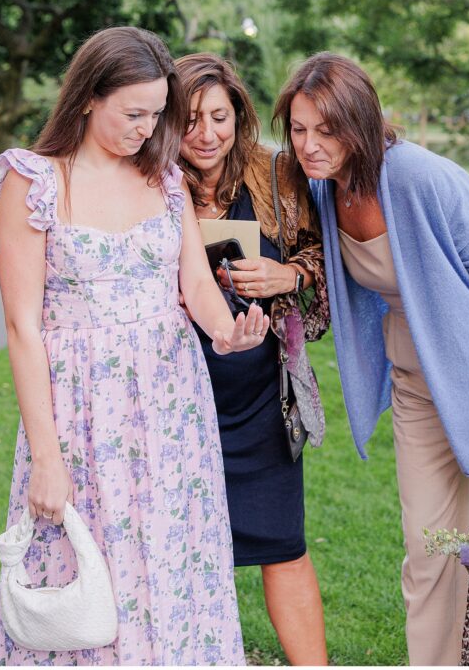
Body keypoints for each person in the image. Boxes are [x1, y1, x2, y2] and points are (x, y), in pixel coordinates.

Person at [0, 27, 269, 667]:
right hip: (82, 415)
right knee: (91, 569)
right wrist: (45, 459)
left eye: (155, 113)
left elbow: (193, 280)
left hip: (172, 407)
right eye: (133, 113)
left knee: (171, 562)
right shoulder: (35, 182)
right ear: (88, 97)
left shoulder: (163, 180)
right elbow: (23, 328)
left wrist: (227, 332)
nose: (148, 128)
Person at [273, 52, 469, 667]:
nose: (309, 144)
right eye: (299, 129)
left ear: (359, 123)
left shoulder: (420, 177)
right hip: (417, 384)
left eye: (325, 130)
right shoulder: (323, 189)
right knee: (429, 550)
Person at [175, 53, 329, 667]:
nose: (206, 134)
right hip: (177, 393)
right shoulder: (149, 181)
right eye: (189, 120)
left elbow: (324, 265)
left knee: (281, 541)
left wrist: (286, 271)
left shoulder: (276, 176)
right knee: (179, 545)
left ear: (239, 116)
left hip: (262, 393)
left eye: (219, 117)